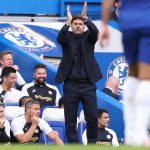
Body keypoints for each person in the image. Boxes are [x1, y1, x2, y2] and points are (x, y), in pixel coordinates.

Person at [100, 0, 150, 146]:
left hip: (128, 22)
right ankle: (139, 131)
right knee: (145, 78)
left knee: (133, 74)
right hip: (146, 21)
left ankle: (131, 132)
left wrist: (104, 24)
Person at [56, 1, 102, 143]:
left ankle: (92, 144)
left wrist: (86, 19)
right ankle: (73, 144)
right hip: (70, 84)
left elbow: (95, 33)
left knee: (93, 117)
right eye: (75, 24)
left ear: (83, 26)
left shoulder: (89, 37)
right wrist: (67, 23)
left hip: (88, 84)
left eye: (80, 24)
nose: (77, 25)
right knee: (70, 118)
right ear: (72, 25)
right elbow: (60, 38)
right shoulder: (66, 38)